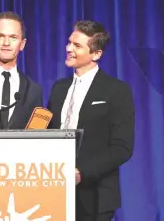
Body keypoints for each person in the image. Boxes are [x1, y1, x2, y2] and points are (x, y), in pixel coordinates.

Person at [47, 20, 135, 221]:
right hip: (56, 193)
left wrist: (81, 173)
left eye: (77, 46)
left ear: (96, 54)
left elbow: (122, 148)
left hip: (96, 197)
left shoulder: (116, 90)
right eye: (70, 42)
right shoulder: (58, 88)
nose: (69, 49)